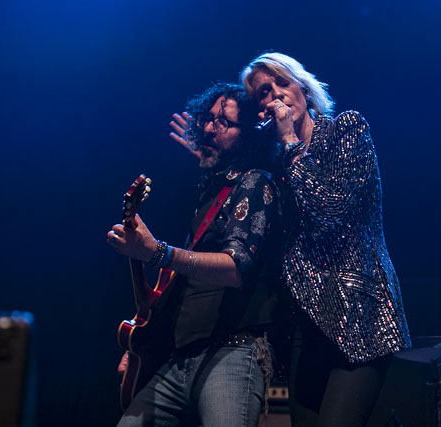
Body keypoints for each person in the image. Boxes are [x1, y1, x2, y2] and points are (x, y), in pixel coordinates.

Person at [239, 52, 412, 426]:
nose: (276, 97)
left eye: (282, 84)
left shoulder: (346, 131)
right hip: (303, 329)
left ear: (302, 87)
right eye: (264, 93)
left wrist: (288, 141)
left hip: (358, 318)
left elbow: (330, 210)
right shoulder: (274, 166)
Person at [108, 82, 283, 427]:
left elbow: (235, 268)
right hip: (180, 359)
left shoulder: (256, 182)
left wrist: (156, 252)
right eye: (209, 119)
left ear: (248, 136)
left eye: (224, 123)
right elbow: (180, 289)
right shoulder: (215, 193)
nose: (207, 128)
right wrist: (140, 345)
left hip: (232, 354)